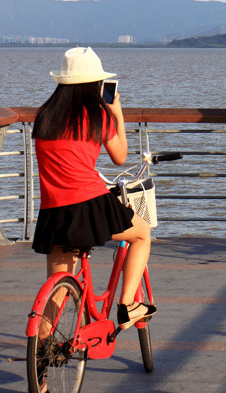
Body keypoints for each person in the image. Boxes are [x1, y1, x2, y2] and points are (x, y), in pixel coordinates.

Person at [31, 47, 155, 330]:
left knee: (58, 290)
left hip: (54, 211)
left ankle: (41, 358)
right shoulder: (99, 116)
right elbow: (120, 156)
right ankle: (128, 306)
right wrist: (117, 113)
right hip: (91, 205)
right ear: (94, 84)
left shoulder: (45, 116)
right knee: (142, 233)